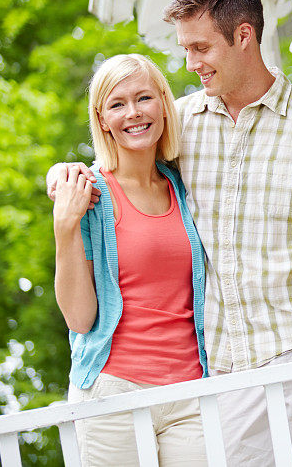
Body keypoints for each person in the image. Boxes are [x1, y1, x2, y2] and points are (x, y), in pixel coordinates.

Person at [50, 0, 292, 466]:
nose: (191, 64)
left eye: (200, 48)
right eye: (185, 50)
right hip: (227, 374)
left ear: (244, 36)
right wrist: (63, 173)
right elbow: (125, 156)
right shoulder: (182, 121)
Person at [51, 53, 208, 466]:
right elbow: (80, 320)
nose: (133, 113)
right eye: (117, 104)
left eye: (144, 98)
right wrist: (64, 228)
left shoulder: (184, 182)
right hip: (113, 392)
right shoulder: (89, 194)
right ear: (102, 119)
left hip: (190, 393)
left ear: (163, 103)